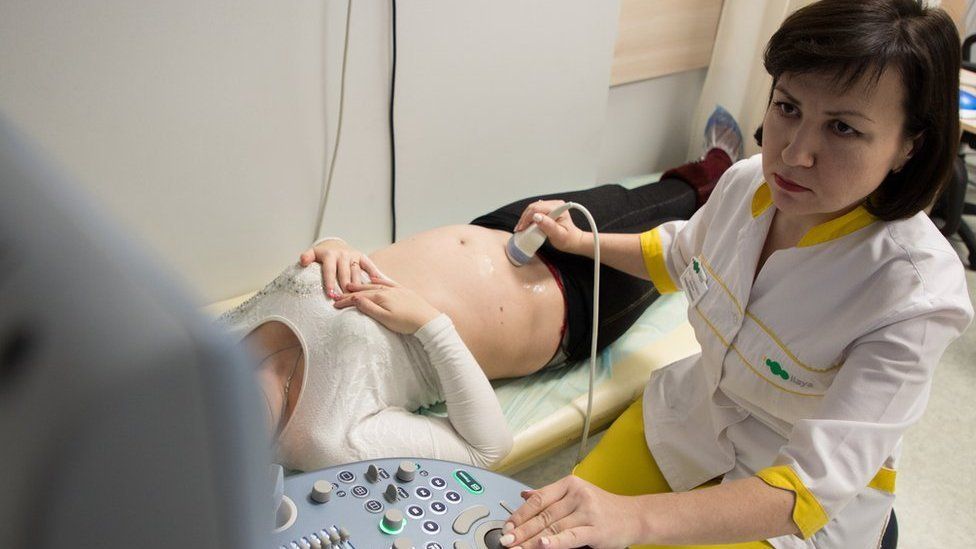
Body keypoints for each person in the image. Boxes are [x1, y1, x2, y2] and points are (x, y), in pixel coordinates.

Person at [498, 1, 974, 548]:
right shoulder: (749, 183)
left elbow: (806, 489)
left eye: (842, 128)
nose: (795, 154)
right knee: (546, 536)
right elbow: (679, 256)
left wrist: (634, 519)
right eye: (788, 107)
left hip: (786, 503)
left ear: (908, 147)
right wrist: (583, 242)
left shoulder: (916, 295)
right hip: (688, 422)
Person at [218, 109, 744, 472]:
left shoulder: (221, 337)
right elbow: (487, 448)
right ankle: (734, 184)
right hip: (568, 302)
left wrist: (330, 245)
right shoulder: (325, 438)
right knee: (694, 238)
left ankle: (716, 170)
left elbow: (304, 280)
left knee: (634, 196)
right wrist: (427, 323)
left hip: (505, 229)